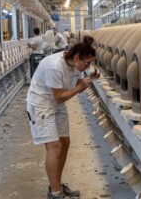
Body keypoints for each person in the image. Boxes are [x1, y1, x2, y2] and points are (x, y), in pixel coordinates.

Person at [26, 36, 99, 199]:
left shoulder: (75, 66)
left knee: (65, 143)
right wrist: (81, 86)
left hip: (56, 103)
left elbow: (77, 85)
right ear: (77, 57)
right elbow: (59, 96)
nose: (88, 66)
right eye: (87, 63)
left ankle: (56, 185)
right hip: (41, 104)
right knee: (54, 146)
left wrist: (89, 79)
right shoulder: (55, 66)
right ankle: (55, 193)